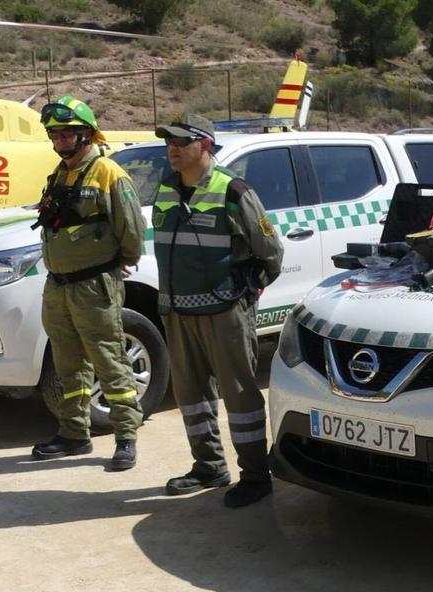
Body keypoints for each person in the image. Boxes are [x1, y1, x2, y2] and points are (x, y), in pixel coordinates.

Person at [153, 113, 283, 508]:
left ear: (205, 145)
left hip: (224, 313)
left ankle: (256, 475)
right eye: (168, 141)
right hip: (177, 313)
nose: (172, 148)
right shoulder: (166, 187)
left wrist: (246, 291)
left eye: (181, 141)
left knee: (240, 396)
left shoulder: (234, 190)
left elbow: (271, 253)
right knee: (190, 396)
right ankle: (208, 466)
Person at [30, 95, 146, 471]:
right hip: (59, 286)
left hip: (94, 286)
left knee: (109, 360)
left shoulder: (108, 173)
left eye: (68, 134)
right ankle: (74, 433)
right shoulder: (58, 175)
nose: (61, 140)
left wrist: (119, 264)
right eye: (56, 134)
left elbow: (132, 229)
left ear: (86, 135)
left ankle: (126, 436)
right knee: (67, 363)